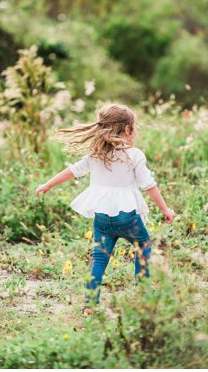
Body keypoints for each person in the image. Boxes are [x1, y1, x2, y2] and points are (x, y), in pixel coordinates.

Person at [35, 103, 176, 314]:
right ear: (128, 130)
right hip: (127, 216)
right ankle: (143, 296)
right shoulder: (134, 154)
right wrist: (166, 210)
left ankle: (90, 305)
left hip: (101, 216)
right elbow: (149, 185)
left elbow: (73, 171)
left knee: (99, 257)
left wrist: (48, 184)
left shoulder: (96, 153)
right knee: (143, 246)